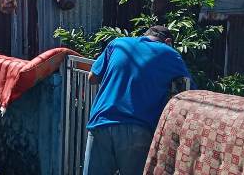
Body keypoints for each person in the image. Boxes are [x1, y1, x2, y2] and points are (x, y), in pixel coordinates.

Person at [83, 25, 195, 175]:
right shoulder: (170, 53)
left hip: (100, 121)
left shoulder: (118, 43)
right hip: (137, 127)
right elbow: (190, 92)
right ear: (168, 41)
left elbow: (92, 78)